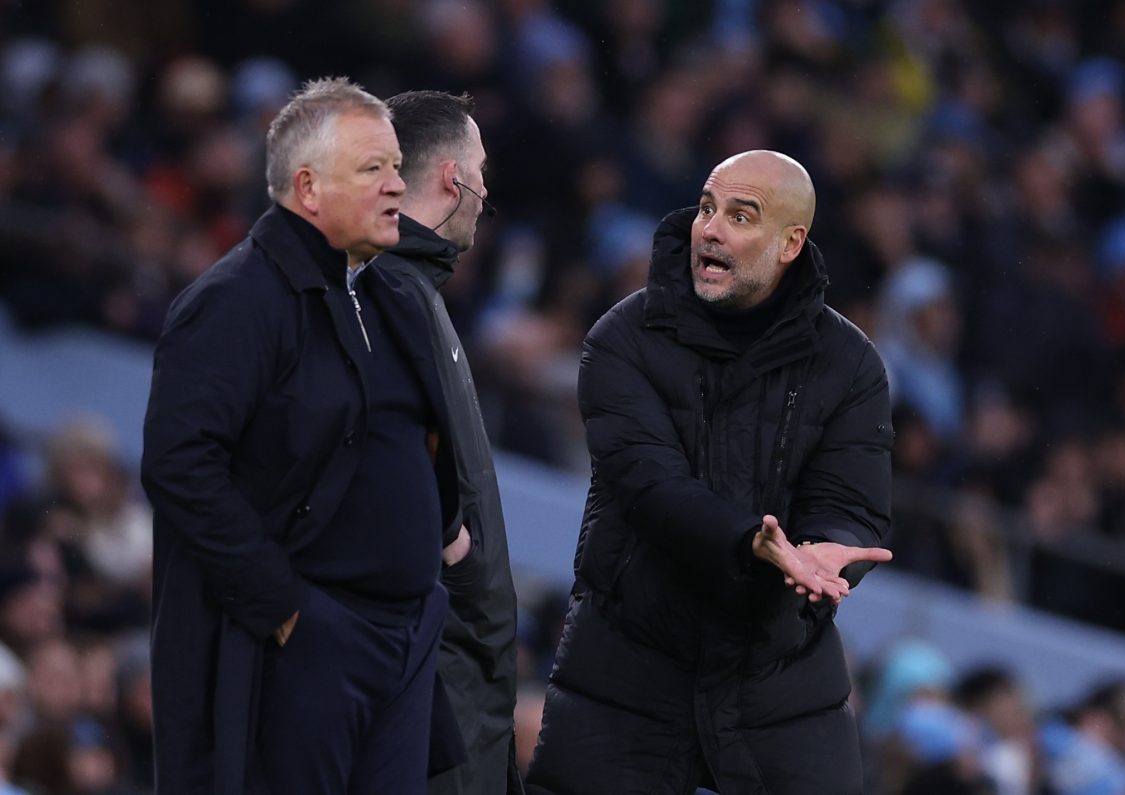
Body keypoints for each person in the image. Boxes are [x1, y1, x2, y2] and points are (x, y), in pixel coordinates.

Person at [525, 150, 895, 794]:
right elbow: (651, 486)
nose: (711, 230)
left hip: (782, 683)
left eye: (740, 216)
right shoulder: (623, 337)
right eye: (706, 208)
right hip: (625, 676)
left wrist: (830, 553)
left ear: (790, 244)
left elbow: (850, 504)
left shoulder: (851, 363)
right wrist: (751, 542)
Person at [141, 77, 465, 795]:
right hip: (305, 644)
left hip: (404, 641)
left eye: (396, 165)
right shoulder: (235, 299)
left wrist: (444, 525)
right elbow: (178, 464)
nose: (396, 185)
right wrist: (282, 604)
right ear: (309, 187)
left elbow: (406, 440)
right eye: (373, 168)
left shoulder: (386, 295)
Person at [375, 90, 524, 795]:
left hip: (459, 660)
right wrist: (457, 554)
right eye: (481, 169)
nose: (486, 190)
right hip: (437, 659)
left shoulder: (414, 288)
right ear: (452, 177)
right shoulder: (391, 288)